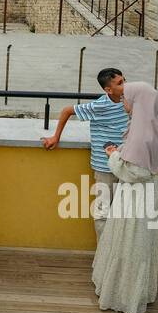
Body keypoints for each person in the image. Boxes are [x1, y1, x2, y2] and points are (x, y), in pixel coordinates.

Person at [90, 81, 158, 313]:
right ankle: (139, 291)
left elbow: (132, 172)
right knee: (142, 244)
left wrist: (112, 155)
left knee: (128, 242)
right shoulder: (156, 125)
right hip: (150, 194)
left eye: (127, 98)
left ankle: (121, 294)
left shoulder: (139, 133)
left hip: (134, 195)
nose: (124, 102)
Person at [43, 68, 129, 239]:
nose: (125, 85)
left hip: (125, 164)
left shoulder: (127, 101)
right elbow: (67, 110)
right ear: (108, 90)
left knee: (123, 212)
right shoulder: (100, 105)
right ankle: (103, 255)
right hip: (104, 167)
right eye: (120, 83)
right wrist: (55, 137)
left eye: (124, 80)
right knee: (103, 211)